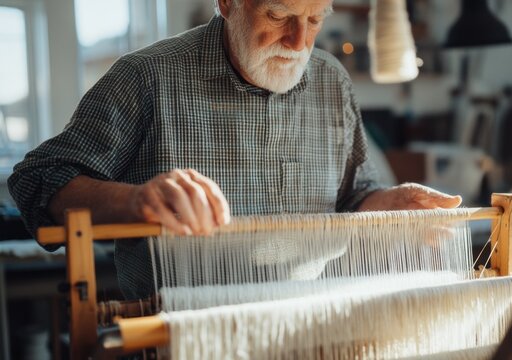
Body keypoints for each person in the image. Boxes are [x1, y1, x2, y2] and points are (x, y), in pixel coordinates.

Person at [8, 0, 462, 299]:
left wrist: (388, 202)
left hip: (306, 328)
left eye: (314, 19)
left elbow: (351, 196)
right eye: (280, 15)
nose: (299, 41)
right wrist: (133, 200)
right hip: (177, 339)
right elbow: (37, 180)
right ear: (228, 3)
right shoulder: (147, 78)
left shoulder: (331, 82)